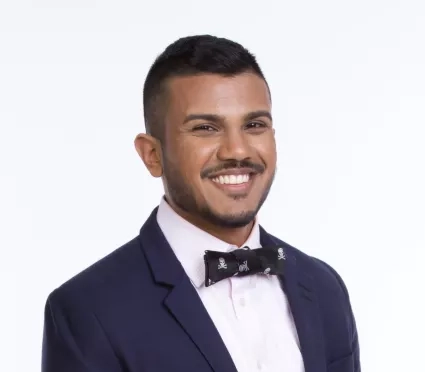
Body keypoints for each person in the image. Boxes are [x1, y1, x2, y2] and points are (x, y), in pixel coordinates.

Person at [41, 35, 360, 372]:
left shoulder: (324, 287)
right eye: (205, 128)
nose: (237, 150)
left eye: (254, 125)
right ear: (152, 155)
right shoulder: (87, 311)